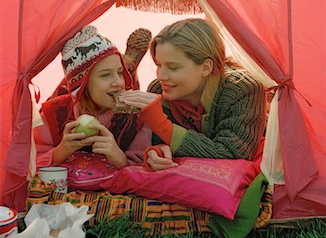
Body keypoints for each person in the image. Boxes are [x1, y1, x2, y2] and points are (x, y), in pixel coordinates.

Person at [118, 18, 267, 171]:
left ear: (206, 68)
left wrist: (162, 124)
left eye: (173, 67)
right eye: (159, 65)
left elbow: (232, 153)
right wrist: (158, 152)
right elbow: (160, 142)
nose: (161, 76)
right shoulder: (159, 90)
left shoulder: (243, 90)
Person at [34, 25, 151, 170]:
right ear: (82, 84)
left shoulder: (136, 118)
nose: (118, 83)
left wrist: (120, 159)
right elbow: (29, 163)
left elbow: (146, 173)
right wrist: (61, 151)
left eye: (120, 73)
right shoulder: (53, 115)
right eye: (105, 75)